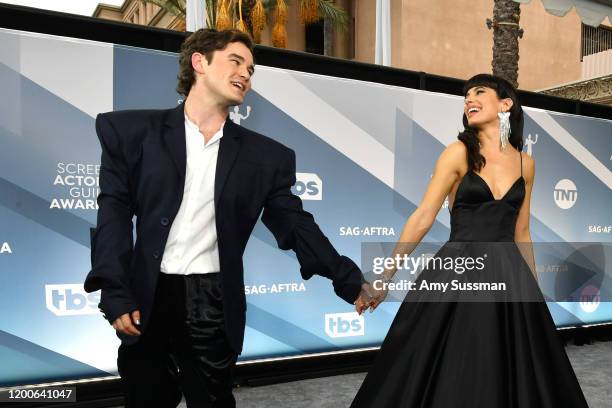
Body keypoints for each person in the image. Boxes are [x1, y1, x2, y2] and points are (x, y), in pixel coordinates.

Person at [84, 28, 370, 408]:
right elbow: (113, 217)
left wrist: (349, 280)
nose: (246, 74)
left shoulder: (267, 158)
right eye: (236, 62)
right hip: (146, 295)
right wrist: (115, 291)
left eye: (251, 69)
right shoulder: (130, 133)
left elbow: (295, 224)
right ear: (199, 62)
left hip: (211, 300)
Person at [352, 74, 588, 407]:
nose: (469, 100)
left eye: (479, 92)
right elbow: (422, 217)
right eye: (466, 97)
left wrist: (533, 292)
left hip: (509, 277)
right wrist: (384, 278)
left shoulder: (526, 164)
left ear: (505, 104)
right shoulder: (458, 152)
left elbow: (521, 232)